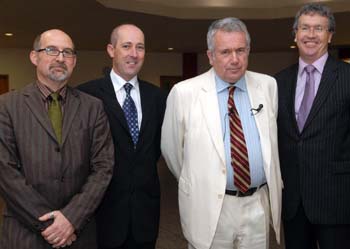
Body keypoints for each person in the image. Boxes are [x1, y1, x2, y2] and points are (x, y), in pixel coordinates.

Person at [161, 17, 282, 249]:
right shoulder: (184, 93)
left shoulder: (268, 86)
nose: (234, 59)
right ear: (210, 56)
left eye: (240, 50)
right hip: (210, 207)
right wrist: (203, 181)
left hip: (258, 203)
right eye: (225, 52)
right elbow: (173, 153)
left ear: (248, 50)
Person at [0, 29, 114, 249]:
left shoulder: (93, 107)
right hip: (23, 234)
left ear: (74, 61)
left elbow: (103, 167)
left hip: (79, 233)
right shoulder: (6, 106)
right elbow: (5, 170)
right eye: (52, 50)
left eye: (68, 52)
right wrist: (52, 226)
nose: (60, 58)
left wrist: (71, 219)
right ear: (34, 57)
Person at [77, 24, 166, 249]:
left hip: (145, 216)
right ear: (111, 50)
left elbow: (156, 149)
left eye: (140, 47)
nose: (134, 54)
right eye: (126, 46)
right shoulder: (86, 95)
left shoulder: (157, 97)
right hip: (101, 216)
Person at [275, 3, 350, 249]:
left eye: (319, 28)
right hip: (293, 203)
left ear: (330, 35)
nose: (310, 34)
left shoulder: (346, 77)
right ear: (295, 33)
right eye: (305, 28)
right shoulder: (278, 82)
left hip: (337, 200)